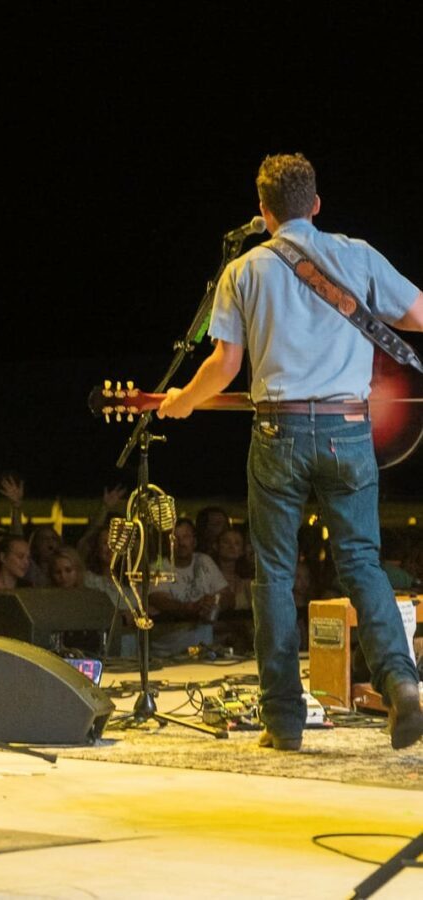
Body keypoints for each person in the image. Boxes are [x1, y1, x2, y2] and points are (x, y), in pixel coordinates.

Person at [159, 152, 423, 751]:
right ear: (317, 205)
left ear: (263, 210)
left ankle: (283, 723)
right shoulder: (357, 255)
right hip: (349, 430)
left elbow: (223, 367)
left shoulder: (244, 270)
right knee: (361, 562)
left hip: (277, 432)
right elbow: (418, 314)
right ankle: (402, 685)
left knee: (275, 576)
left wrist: (183, 401)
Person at [147, 518, 231, 656]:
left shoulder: (204, 561)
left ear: (194, 541)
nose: (181, 543)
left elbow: (228, 596)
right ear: (167, 542)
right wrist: (190, 608)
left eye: (185, 536)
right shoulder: (157, 567)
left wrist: (214, 604)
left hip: (203, 652)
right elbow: (158, 599)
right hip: (167, 654)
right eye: (175, 538)